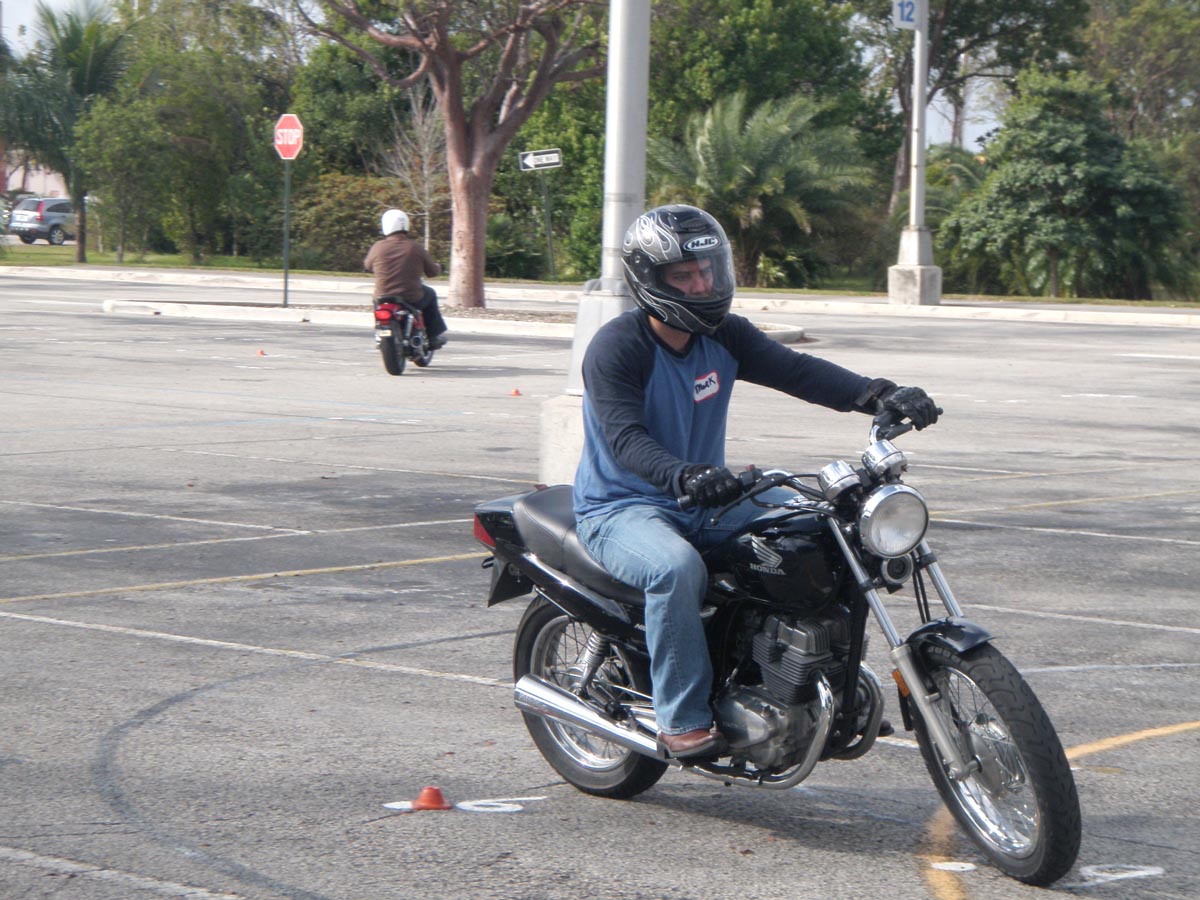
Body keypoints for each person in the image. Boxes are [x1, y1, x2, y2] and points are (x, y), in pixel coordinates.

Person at [572, 204, 940, 759]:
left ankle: (816, 679)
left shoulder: (725, 335)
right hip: (623, 507)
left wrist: (879, 394)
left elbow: (798, 371)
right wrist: (683, 473)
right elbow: (625, 438)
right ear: (649, 279)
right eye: (683, 276)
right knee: (675, 569)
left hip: (709, 497)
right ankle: (681, 719)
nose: (701, 286)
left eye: (707, 272)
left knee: (826, 529)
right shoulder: (618, 347)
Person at [364, 209, 447, 349]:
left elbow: (367, 266)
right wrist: (439, 267)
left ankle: (379, 330)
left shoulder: (377, 247)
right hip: (411, 298)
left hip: (383, 296)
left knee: (376, 300)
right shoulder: (415, 247)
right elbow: (432, 272)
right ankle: (433, 336)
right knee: (430, 293)